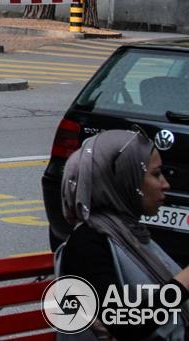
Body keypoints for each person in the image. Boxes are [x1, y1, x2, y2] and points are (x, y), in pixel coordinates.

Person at [58, 130, 189, 340]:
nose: (165, 184)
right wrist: (185, 280)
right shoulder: (88, 242)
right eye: (155, 174)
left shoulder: (129, 233)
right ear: (125, 179)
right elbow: (125, 323)